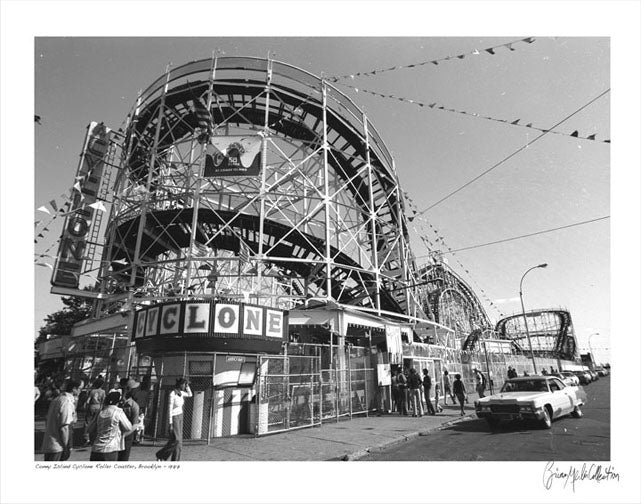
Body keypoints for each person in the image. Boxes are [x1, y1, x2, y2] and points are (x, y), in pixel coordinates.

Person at [41, 379, 81, 461]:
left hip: (50, 442)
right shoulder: (67, 402)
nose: (80, 391)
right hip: (58, 445)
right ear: (74, 389)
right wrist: (66, 446)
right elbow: (64, 427)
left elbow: (47, 419)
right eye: (79, 388)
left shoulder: (56, 399)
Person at [87, 390, 133, 461]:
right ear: (118, 402)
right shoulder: (118, 412)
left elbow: (89, 428)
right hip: (110, 450)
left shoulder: (100, 412)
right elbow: (128, 427)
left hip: (96, 448)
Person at [156, 378, 192, 461]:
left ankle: (175, 460)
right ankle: (161, 454)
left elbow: (190, 394)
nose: (184, 386)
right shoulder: (172, 394)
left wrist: (187, 386)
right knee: (177, 439)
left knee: (179, 442)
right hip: (174, 417)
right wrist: (170, 423)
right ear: (179, 384)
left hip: (180, 416)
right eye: (183, 384)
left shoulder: (181, 393)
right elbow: (170, 409)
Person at [117, 379, 140, 461]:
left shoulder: (133, 405)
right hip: (116, 433)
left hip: (126, 435)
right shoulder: (119, 402)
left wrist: (124, 435)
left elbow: (135, 424)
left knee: (123, 458)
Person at [83, 377, 106, 446]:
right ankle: (96, 437)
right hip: (99, 406)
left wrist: (86, 406)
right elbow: (103, 400)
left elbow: (88, 400)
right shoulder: (103, 392)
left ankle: (87, 438)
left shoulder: (92, 391)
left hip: (92, 406)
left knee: (88, 422)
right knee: (97, 422)